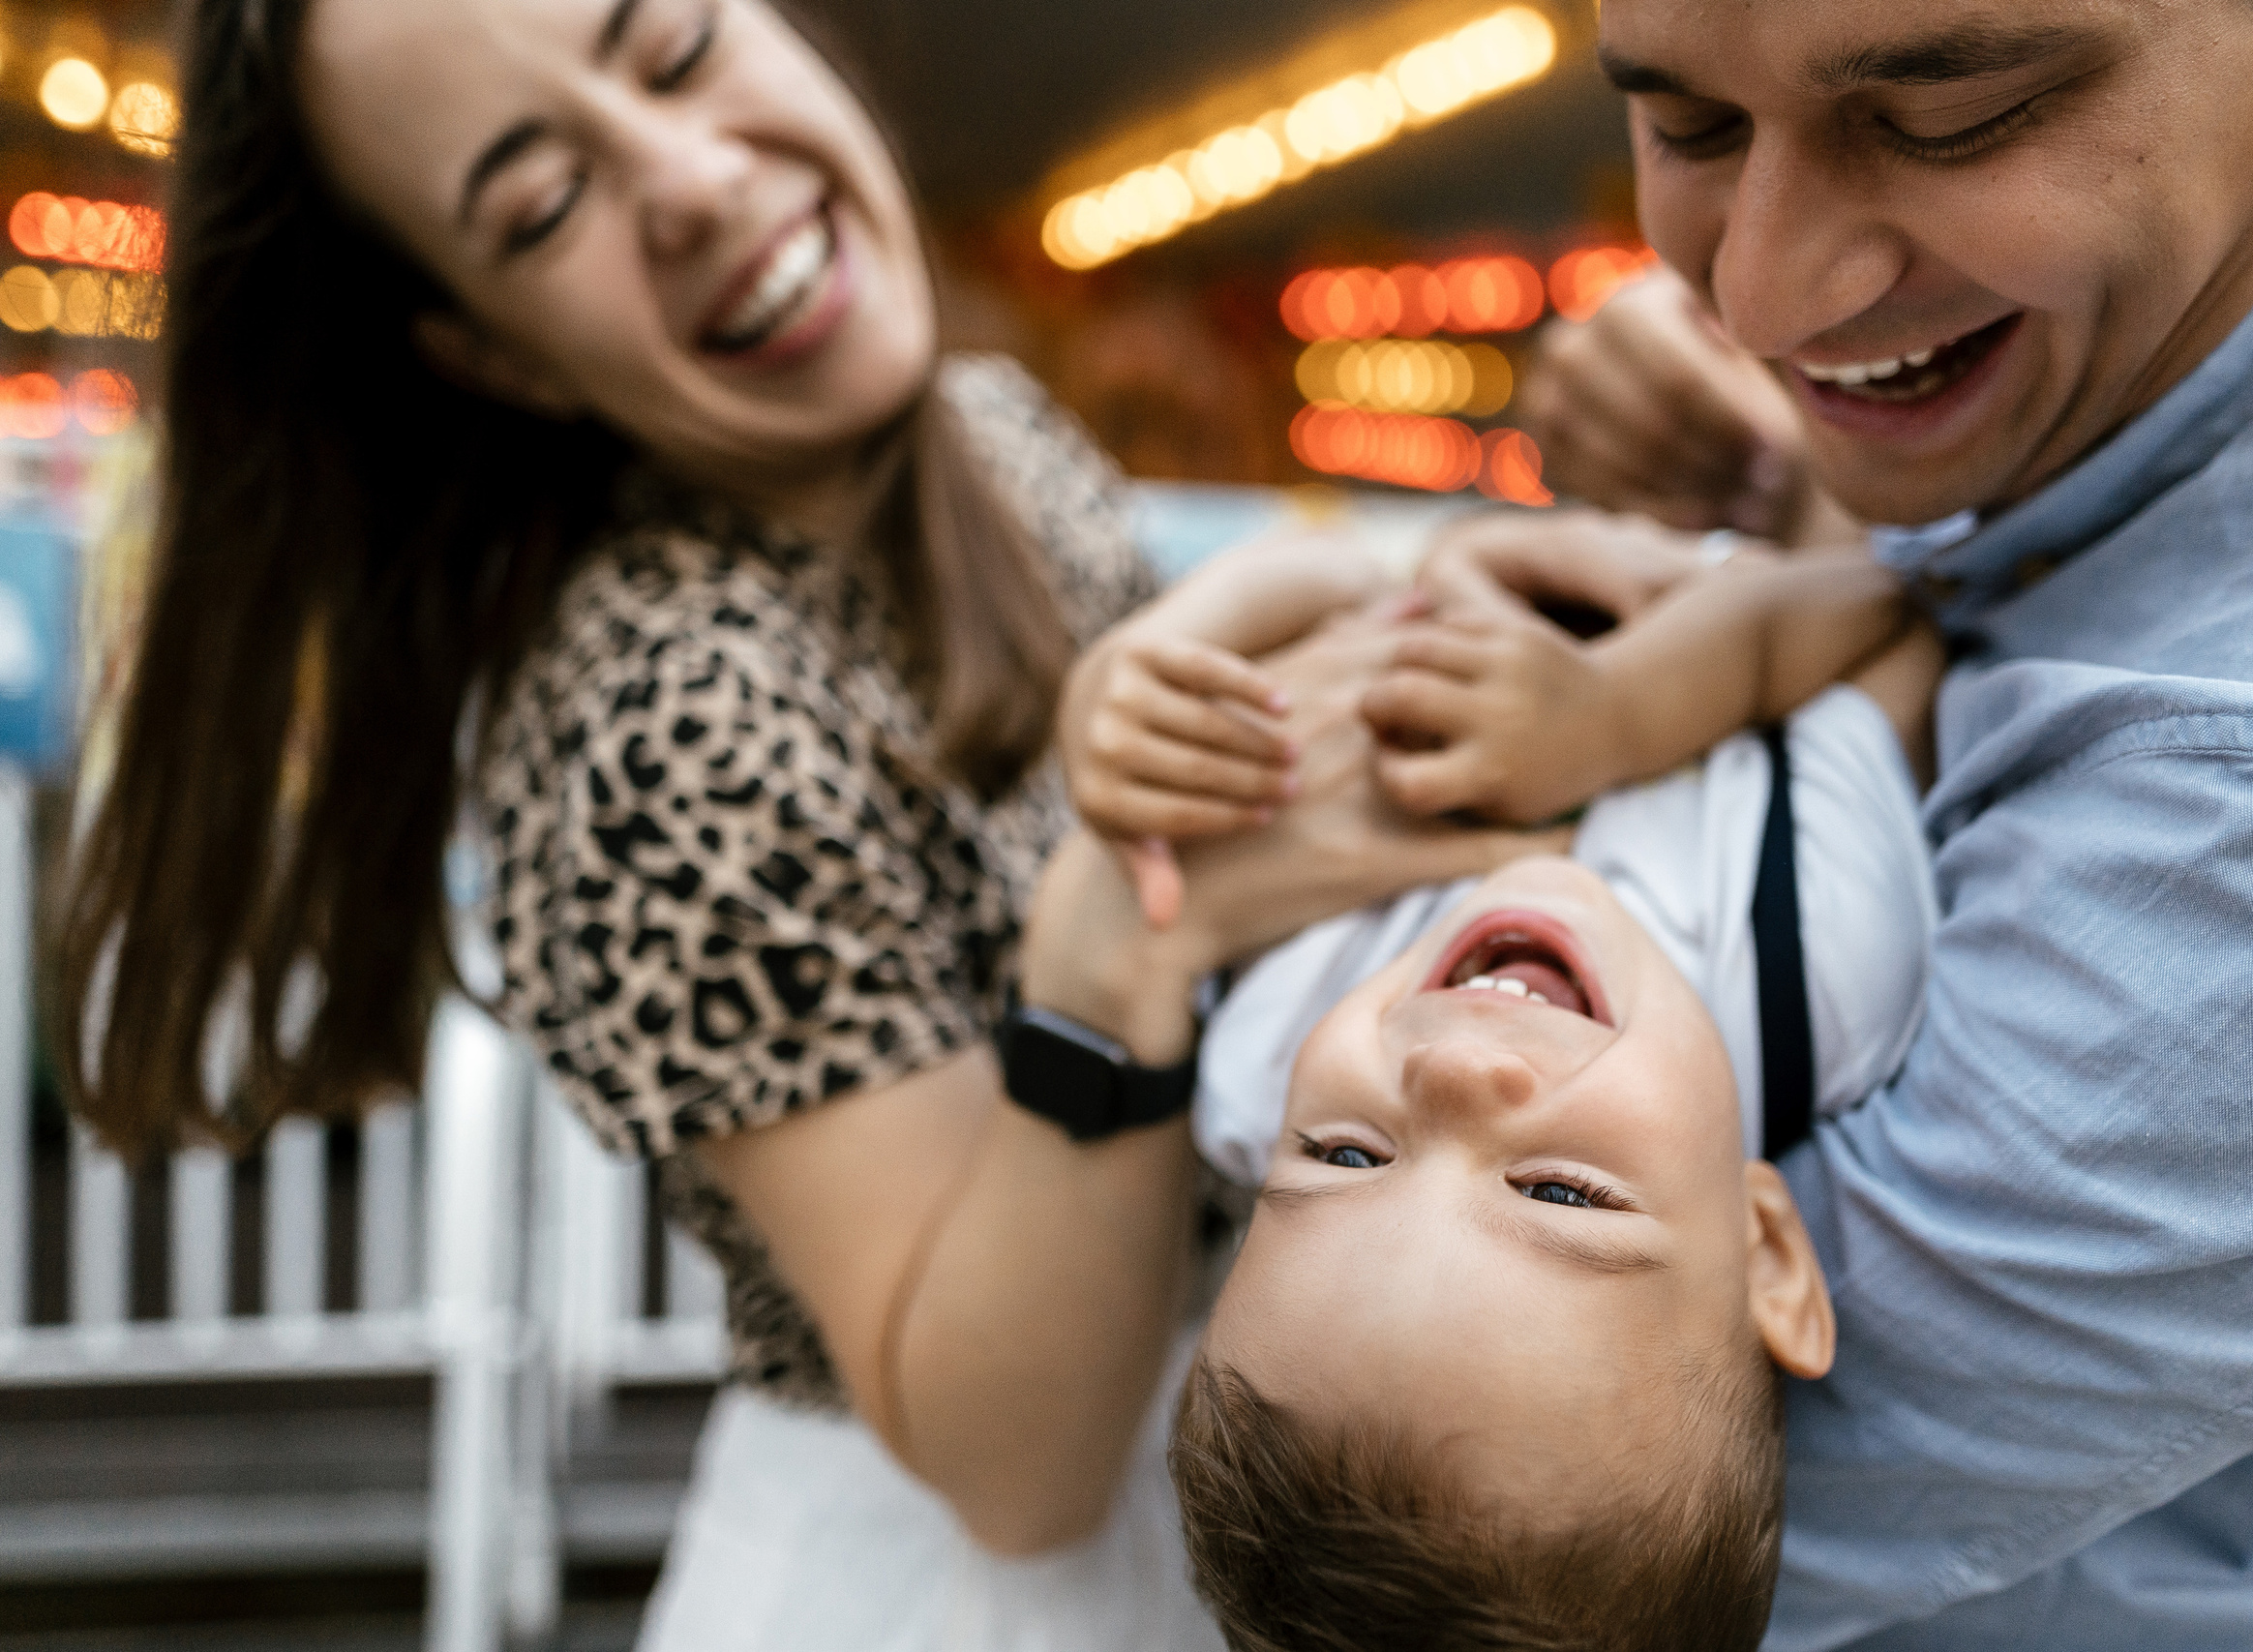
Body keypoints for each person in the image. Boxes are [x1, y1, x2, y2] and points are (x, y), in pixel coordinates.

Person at [54, 2, 1547, 1647]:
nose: (687, 181)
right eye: (541, 203)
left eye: (674, 46)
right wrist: (1123, 938)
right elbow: (1014, 1461)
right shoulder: (652, 716)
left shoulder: (992, 437)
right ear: (494, 350)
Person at [1450, 0, 2253, 1644]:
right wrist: (1812, 485)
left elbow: (1534, 1525)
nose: (1755, 296)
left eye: (1954, 115)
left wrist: (1125, 969)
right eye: (1690, 128)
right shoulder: (2235, 281)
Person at [1059, 503, 1938, 1648]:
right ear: (1765, 1251)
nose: (1455, 1071)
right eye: (1560, 1195)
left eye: (1346, 1155)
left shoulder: (1268, 1042)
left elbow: (1311, 569)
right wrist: (1622, 706)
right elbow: (1891, 611)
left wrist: (1130, 683)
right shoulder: (1814, 961)